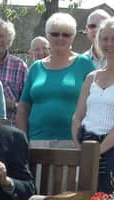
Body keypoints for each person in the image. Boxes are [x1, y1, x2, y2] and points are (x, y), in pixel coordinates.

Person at [72, 18, 114, 193]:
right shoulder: (91, 77)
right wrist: (81, 147)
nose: (109, 44)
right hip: (86, 146)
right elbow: (78, 116)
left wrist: (99, 151)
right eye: (105, 39)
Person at [17, 13, 95, 141]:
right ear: (48, 35)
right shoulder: (36, 67)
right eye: (55, 34)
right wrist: (22, 139)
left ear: (73, 37)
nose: (60, 38)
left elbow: (96, 103)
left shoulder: (85, 64)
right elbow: (23, 107)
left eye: (66, 34)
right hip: (36, 142)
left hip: (74, 143)